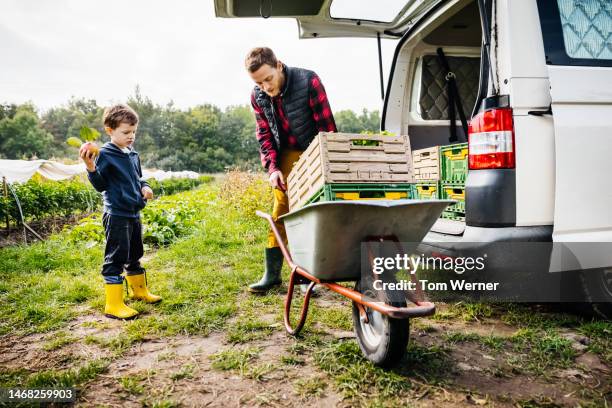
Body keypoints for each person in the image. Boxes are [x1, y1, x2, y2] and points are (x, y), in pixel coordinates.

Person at [245, 47, 337, 293]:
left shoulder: (308, 81)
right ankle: (272, 274)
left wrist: (322, 165)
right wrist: (272, 168)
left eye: (268, 79)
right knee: (280, 208)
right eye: (258, 82)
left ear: (279, 66)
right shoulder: (258, 96)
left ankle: (310, 275)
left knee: (311, 209)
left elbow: (326, 129)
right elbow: (264, 134)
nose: (265, 86)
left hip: (313, 148)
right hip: (284, 152)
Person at [80, 104, 162, 319]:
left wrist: (145, 187)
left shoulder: (133, 154)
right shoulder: (105, 154)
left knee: (135, 253)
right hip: (116, 213)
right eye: (126, 132)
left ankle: (139, 291)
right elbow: (100, 184)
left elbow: (139, 177)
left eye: (134, 131)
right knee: (116, 257)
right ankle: (113, 303)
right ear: (110, 130)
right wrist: (90, 167)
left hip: (134, 211)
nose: (131, 136)